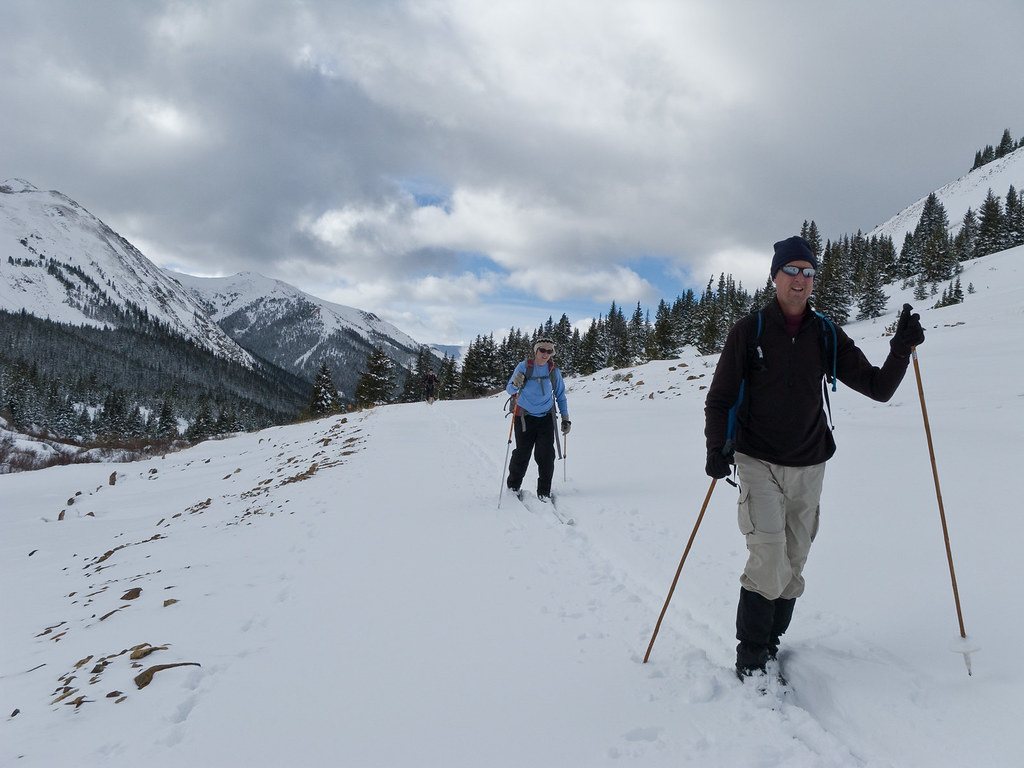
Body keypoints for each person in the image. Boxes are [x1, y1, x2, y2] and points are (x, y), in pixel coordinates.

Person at [703, 235, 925, 681]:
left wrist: (899, 351)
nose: (800, 280)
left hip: (810, 462)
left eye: (808, 272)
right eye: (792, 270)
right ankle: (752, 657)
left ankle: (772, 640)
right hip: (757, 459)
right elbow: (721, 397)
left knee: (793, 563)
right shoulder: (750, 331)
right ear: (775, 276)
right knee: (767, 555)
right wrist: (715, 447)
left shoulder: (824, 333)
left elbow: (878, 387)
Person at [505, 337, 571, 501]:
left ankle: (544, 492)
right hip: (524, 418)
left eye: (550, 351)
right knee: (522, 454)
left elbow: (560, 395)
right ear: (536, 350)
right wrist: (515, 383)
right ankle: (513, 487)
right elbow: (509, 390)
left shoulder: (553, 371)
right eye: (542, 350)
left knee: (546, 455)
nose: (546, 354)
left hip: (546, 418)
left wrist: (565, 418)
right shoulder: (524, 366)